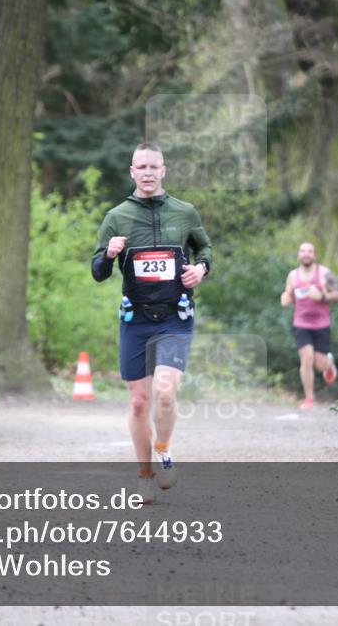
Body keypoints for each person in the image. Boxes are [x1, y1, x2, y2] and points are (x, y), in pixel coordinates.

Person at [91, 142, 212, 504]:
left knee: (164, 392)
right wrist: (109, 254)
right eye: (140, 167)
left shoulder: (185, 212)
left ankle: (165, 448)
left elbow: (205, 249)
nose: (146, 172)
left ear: (163, 171)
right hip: (136, 319)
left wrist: (200, 269)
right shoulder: (117, 216)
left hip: (175, 317)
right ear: (132, 172)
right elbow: (98, 272)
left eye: (153, 167)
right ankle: (145, 474)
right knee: (140, 402)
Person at [280, 242, 338, 410]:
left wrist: (322, 296)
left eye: (310, 251)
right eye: (303, 251)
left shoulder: (324, 273)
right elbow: (288, 294)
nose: (306, 254)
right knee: (306, 358)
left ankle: (328, 363)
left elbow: (337, 294)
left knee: (319, 365)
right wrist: (285, 299)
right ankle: (309, 398)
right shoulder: (293, 275)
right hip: (301, 324)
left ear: (315, 255)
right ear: (299, 255)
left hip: (322, 324)